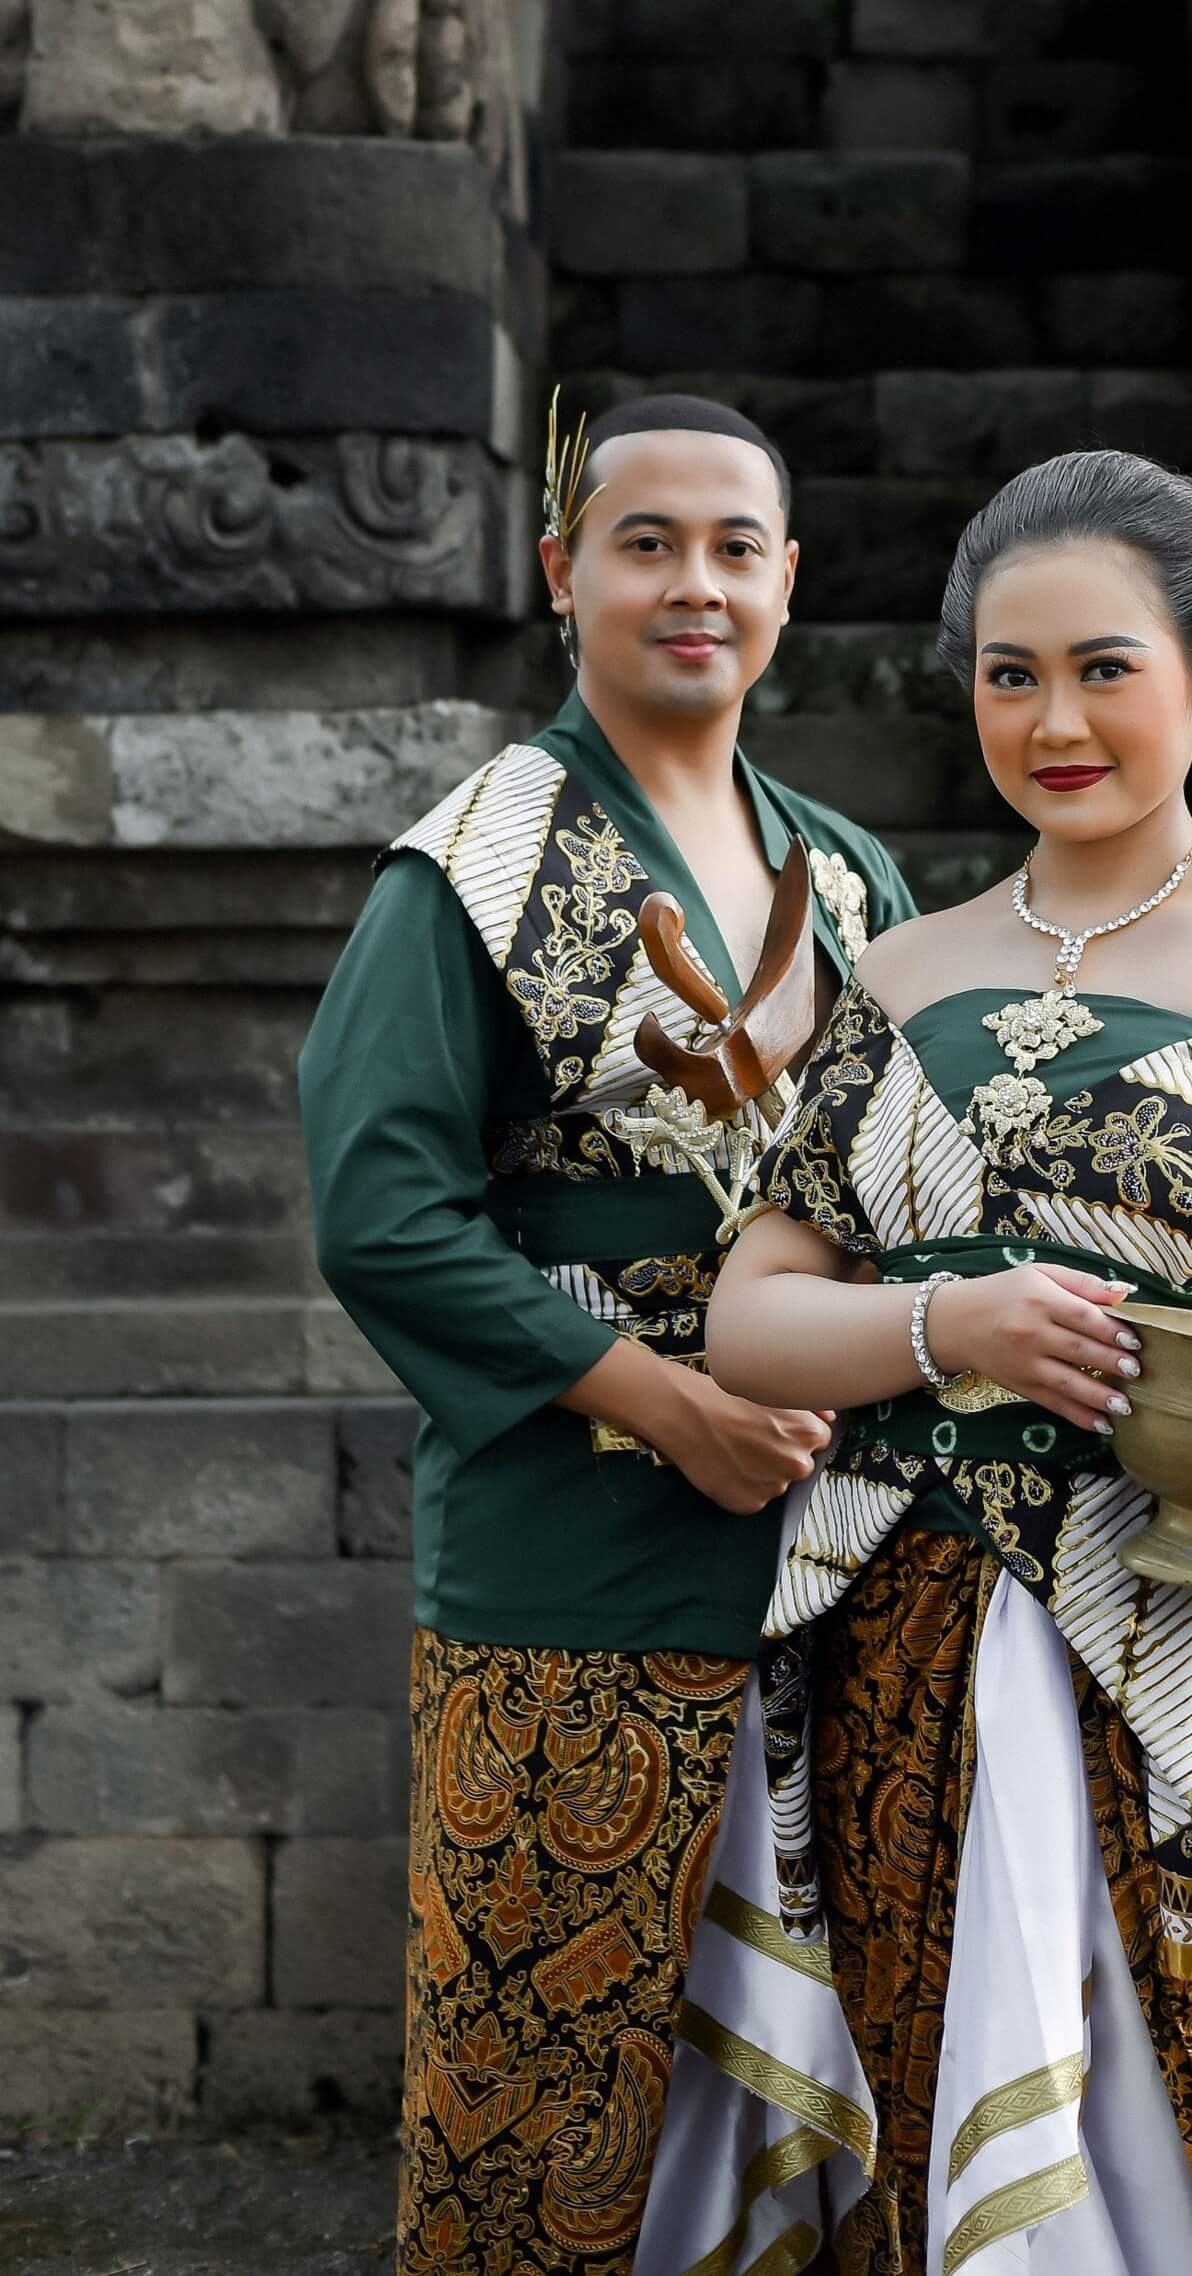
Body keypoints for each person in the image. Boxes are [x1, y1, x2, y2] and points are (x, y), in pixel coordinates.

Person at [636, 447, 1192, 2276]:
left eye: (1102, 669)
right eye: (1010, 675)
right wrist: (946, 1322)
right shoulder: (900, 977)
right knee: (929, 2087)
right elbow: (750, 1318)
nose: (1052, 722)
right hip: (901, 1636)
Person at [296, 393, 918, 2276]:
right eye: (647, 543)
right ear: (563, 572)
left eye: (735, 548)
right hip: (573, 1561)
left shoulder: (852, 875)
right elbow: (386, 1214)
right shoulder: (466, 872)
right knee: (545, 2103)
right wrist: (666, 1402)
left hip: (838, 1553)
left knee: (834, 2106)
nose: (694, 584)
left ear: (789, 582)